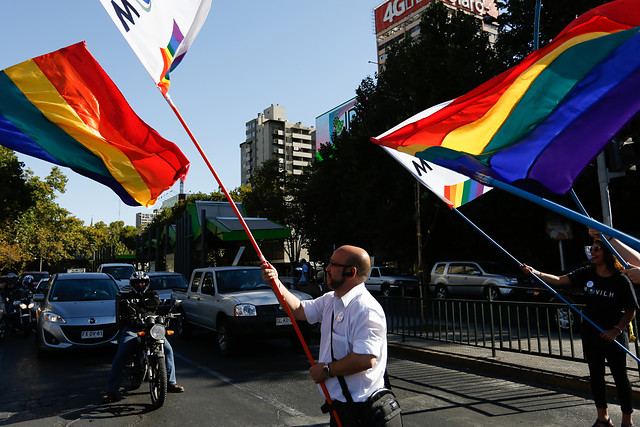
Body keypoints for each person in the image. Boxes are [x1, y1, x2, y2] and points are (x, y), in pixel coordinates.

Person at [262, 245, 388, 426]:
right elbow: (298, 310)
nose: (327, 268)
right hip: (340, 407)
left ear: (350, 272)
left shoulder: (365, 309)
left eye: (333, 264)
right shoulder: (331, 300)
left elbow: (365, 359)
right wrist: (275, 282)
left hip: (360, 411)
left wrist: (326, 370)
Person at [522, 239, 638, 427]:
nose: (592, 252)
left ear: (607, 252)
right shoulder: (587, 272)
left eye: (596, 249)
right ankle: (603, 419)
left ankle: (627, 421)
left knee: (620, 377)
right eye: (591, 249)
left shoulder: (621, 279)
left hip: (614, 336)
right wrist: (536, 272)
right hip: (591, 334)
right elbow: (560, 280)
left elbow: (631, 310)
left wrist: (615, 330)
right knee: (596, 376)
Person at [102, 271, 184, 403]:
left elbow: (154, 305)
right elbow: (127, 309)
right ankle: (111, 390)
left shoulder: (153, 294)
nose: (140, 284)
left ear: (147, 283)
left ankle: (171, 382)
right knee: (121, 354)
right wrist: (133, 314)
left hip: (151, 329)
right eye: (137, 282)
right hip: (132, 329)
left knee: (168, 350)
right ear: (132, 284)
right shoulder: (125, 297)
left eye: (143, 282)